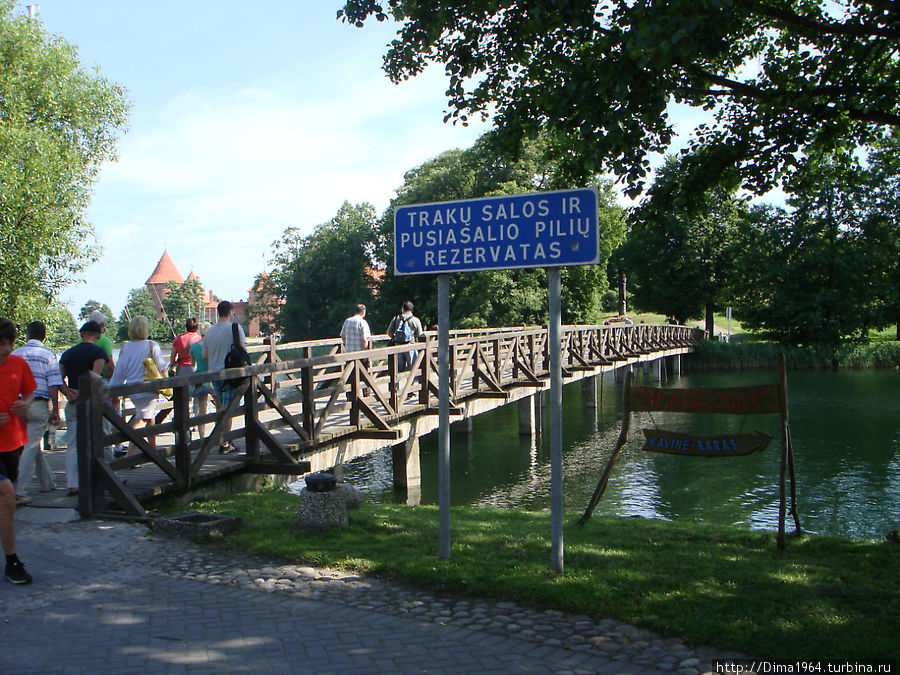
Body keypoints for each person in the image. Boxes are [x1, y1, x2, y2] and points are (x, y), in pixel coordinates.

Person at [11, 322, 62, 503]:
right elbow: (53, 384)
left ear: (26, 335)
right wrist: (55, 410)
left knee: (29, 445)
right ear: (44, 336)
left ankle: (47, 482)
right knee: (31, 446)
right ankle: (20, 492)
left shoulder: (15, 353)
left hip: (16, 404)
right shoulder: (49, 355)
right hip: (38, 403)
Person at [0, 318, 34, 584]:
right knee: (7, 495)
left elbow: (29, 392)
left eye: (8, 344)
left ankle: (11, 560)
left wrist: (26, 404)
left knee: (6, 506)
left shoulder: (18, 364)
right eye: (0, 344)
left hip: (12, 442)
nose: (4, 350)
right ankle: (12, 562)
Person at [58, 321, 109, 496]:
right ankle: (110, 475)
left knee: (72, 443)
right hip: (90, 401)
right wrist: (83, 394)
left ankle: (73, 483)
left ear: (81, 334)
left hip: (72, 401)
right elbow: (95, 377)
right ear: (99, 335)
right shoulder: (98, 352)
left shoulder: (68, 353)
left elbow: (58, 378)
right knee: (102, 438)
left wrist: (67, 392)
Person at [108, 316, 167, 457]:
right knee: (142, 420)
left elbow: (119, 372)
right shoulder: (152, 345)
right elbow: (162, 366)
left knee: (147, 415)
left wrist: (113, 391)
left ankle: (152, 450)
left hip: (132, 390)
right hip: (148, 389)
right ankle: (129, 456)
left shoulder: (126, 347)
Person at [201, 301, 246, 454]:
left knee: (221, 408)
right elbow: (243, 351)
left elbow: (204, 355)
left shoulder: (209, 331)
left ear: (218, 312)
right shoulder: (235, 328)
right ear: (231, 312)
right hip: (230, 375)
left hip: (214, 374)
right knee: (229, 409)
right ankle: (225, 443)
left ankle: (223, 439)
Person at [189, 321, 220, 438]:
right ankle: (219, 433)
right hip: (213, 377)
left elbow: (192, 365)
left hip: (200, 378)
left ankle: (202, 436)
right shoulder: (214, 346)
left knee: (202, 411)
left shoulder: (194, 346)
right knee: (219, 406)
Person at [386, 301, 424, 373]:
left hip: (398, 346)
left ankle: (397, 383)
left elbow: (389, 332)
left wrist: (395, 339)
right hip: (411, 346)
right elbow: (419, 335)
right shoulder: (415, 320)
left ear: (402, 308)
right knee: (413, 369)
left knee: (398, 369)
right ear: (412, 309)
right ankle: (412, 383)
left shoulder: (396, 318)